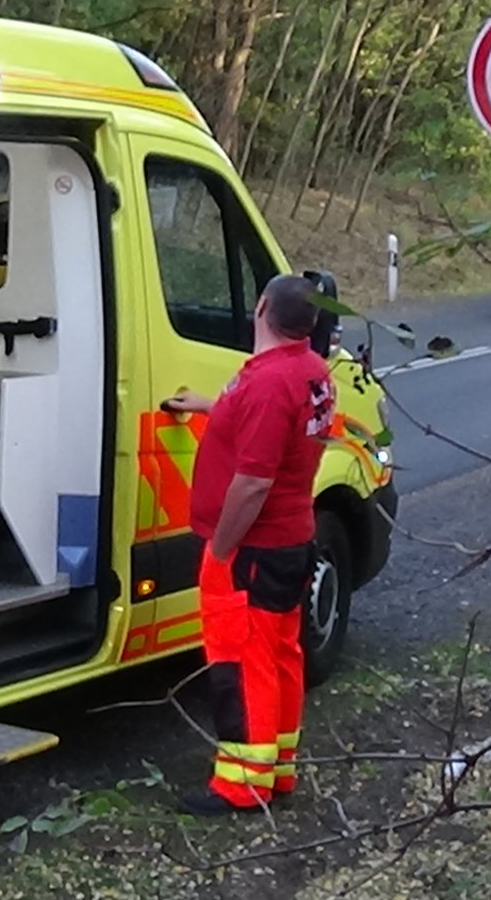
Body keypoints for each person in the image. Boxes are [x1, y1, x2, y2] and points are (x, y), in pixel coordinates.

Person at [164, 273, 337, 815]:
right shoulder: (308, 371)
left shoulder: (268, 382)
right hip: (288, 540)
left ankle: (243, 783)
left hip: (251, 549)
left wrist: (221, 548)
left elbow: (255, 479)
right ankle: (276, 770)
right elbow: (272, 426)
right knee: (282, 655)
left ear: (261, 307)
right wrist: (211, 406)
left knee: (242, 662)